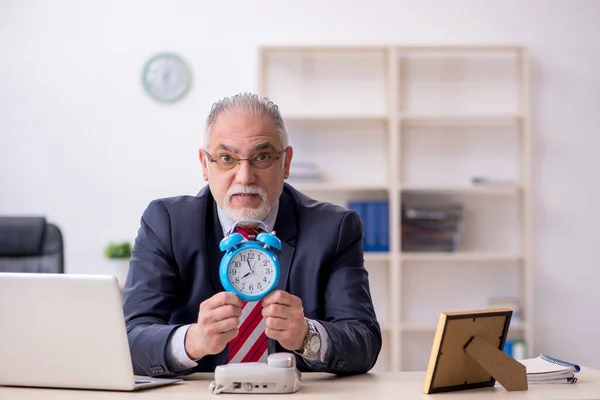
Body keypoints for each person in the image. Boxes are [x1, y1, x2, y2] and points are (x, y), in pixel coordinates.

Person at [122, 92, 382, 377]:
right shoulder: (167, 224)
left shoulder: (334, 228)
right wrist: (192, 341)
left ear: (286, 163)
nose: (244, 177)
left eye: (262, 157)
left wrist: (308, 337)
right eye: (226, 158)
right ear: (204, 164)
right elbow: (129, 338)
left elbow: (364, 341)